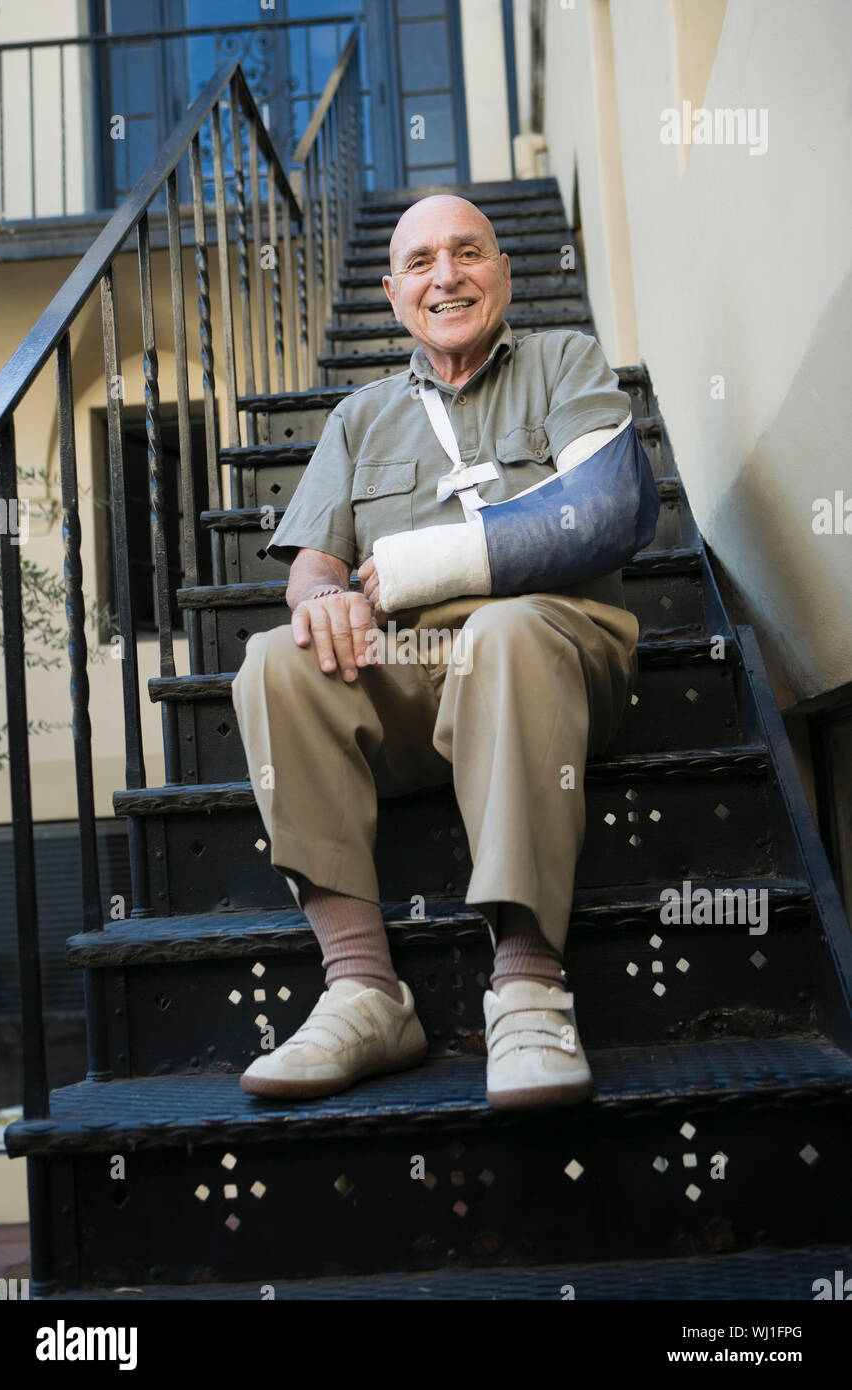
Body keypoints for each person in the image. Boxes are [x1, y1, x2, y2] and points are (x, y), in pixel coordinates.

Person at [231, 194, 643, 1110]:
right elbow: (312, 570)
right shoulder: (360, 416)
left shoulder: (563, 362)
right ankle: (364, 992)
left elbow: (609, 510)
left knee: (505, 630)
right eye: (420, 262)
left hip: (556, 652)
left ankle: (529, 984)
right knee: (273, 659)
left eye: (468, 253)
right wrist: (328, 600)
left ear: (503, 270)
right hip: (419, 677)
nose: (446, 275)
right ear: (391, 293)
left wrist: (430, 566)